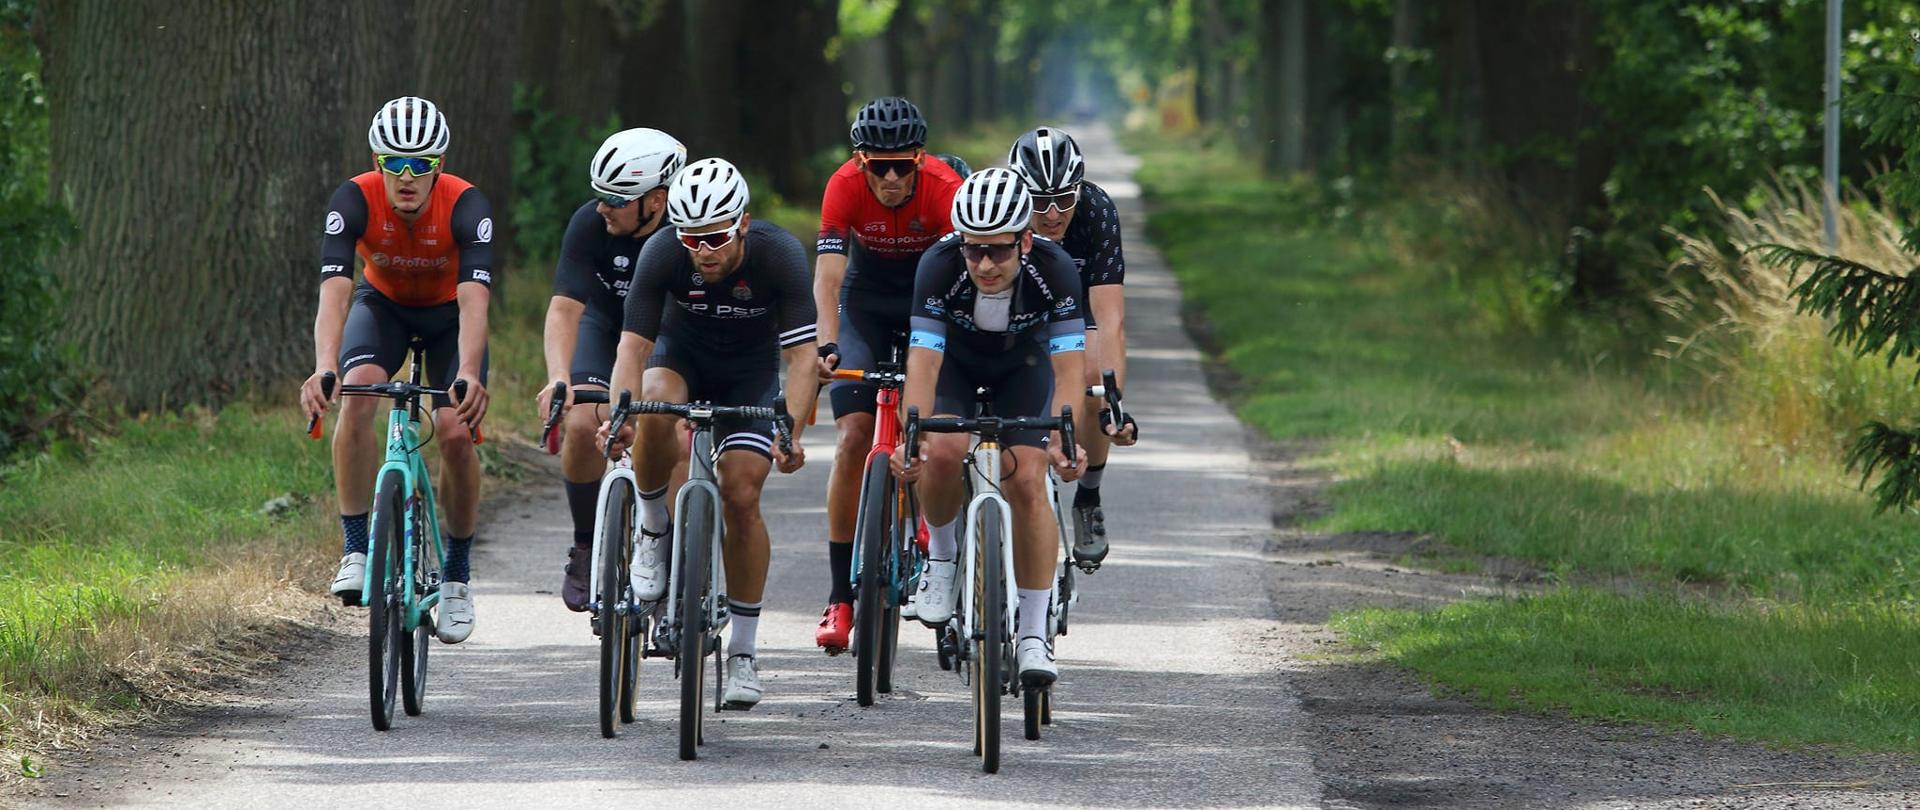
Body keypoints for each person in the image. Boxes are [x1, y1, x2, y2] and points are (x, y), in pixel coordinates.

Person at [602, 158, 819, 708]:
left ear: (742, 223)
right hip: (683, 357)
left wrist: (789, 430)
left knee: (742, 494)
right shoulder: (663, 253)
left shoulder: (780, 255)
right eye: (692, 238)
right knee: (655, 402)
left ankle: (743, 651)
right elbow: (633, 349)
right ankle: (654, 528)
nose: (704, 250)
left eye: (717, 236)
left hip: (748, 371)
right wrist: (621, 413)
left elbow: (800, 358)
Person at [890, 168, 1098, 685]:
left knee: (1028, 478)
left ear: (1026, 240)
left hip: (1022, 371)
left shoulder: (1058, 269)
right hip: (956, 368)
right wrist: (912, 435)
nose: (984, 264)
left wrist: (1063, 438)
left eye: (999, 251)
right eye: (973, 249)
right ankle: (940, 556)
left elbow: (1069, 369)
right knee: (940, 449)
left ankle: (1032, 633)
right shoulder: (938, 265)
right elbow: (923, 364)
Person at [300, 96, 493, 644]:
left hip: (448, 316)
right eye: (395, 164)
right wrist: (323, 366)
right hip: (381, 307)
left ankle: (456, 576)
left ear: (440, 165)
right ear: (377, 162)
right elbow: (334, 294)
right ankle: (357, 547)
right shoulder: (353, 199)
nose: (407, 178)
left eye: (421, 165)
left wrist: (471, 372)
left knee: (455, 431)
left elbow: (476, 299)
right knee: (357, 391)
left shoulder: (466, 206)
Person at [810, 96, 965, 651]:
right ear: (862, 161)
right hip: (867, 304)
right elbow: (829, 278)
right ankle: (839, 595)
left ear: (921, 158)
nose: (894, 177)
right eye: (881, 166)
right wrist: (827, 342)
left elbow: (964, 279)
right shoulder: (843, 185)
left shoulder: (946, 187)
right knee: (852, 437)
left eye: (904, 164)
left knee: (928, 427)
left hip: (930, 302)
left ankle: (939, 537)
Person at [536, 128, 686, 611]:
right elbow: (564, 310)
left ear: (657, 200)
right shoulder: (590, 223)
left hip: (668, 333)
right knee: (582, 423)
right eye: (599, 195)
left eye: (617, 199)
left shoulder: (687, 232)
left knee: (671, 436)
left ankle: (672, 550)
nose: (603, 207)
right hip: (605, 325)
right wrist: (559, 377)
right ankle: (585, 545)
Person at [1007, 126, 1138, 568]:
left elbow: (1110, 317)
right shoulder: (1001, 212)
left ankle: (1089, 497)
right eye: (1040, 203)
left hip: (1077, 303)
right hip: (1015, 304)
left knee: (1091, 375)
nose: (1053, 214)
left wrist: (1113, 399)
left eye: (1065, 199)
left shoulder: (1096, 210)